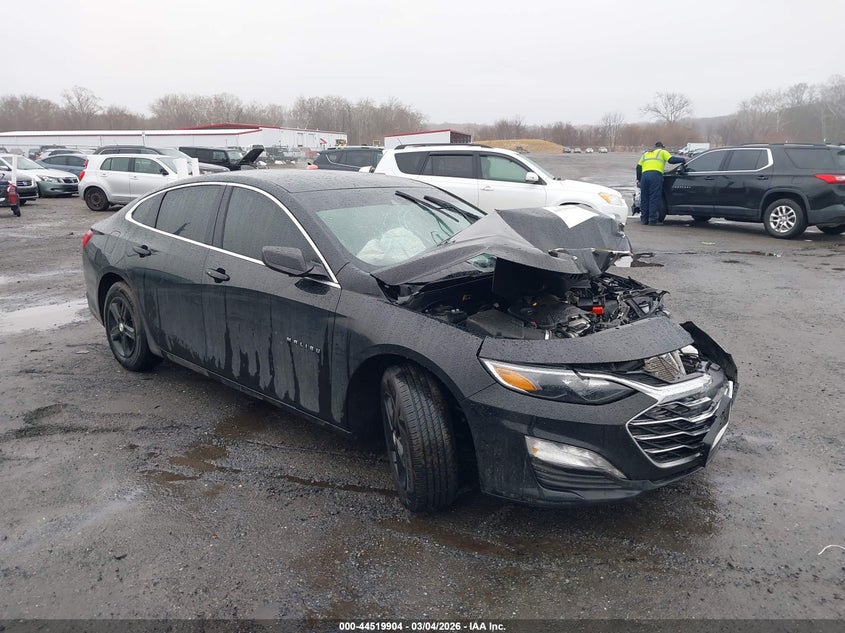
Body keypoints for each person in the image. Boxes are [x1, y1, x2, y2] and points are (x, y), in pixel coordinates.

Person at [636, 142, 685, 225]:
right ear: (662, 147)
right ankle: (652, 220)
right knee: (654, 197)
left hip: (644, 176)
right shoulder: (662, 152)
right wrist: (683, 160)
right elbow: (671, 160)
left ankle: (644, 220)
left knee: (644, 198)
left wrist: (639, 180)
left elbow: (638, 167)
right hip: (655, 176)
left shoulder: (646, 154)